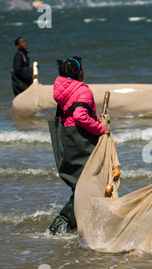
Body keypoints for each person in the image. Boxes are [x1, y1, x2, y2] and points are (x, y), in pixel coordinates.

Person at [48, 56, 109, 235]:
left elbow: (70, 113)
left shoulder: (62, 91)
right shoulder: (83, 91)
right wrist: (100, 128)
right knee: (86, 186)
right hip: (80, 142)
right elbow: (80, 116)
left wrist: (93, 119)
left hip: (68, 142)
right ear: (79, 73)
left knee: (80, 185)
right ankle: (59, 227)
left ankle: (72, 227)